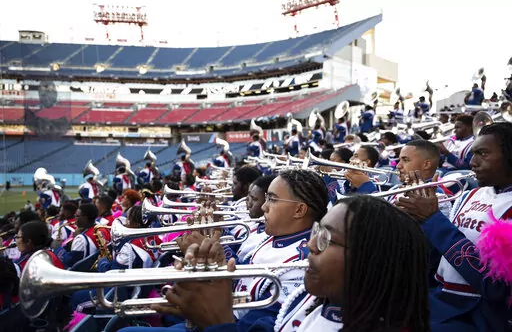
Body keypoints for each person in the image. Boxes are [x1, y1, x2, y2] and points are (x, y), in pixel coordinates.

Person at [139, 196, 430, 332]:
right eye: (317, 232)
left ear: (370, 260)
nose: (310, 245)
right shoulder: (307, 299)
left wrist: (218, 322)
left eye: (326, 238)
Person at [396, 122, 512, 332]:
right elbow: (437, 259)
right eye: (473, 154)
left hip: (476, 316)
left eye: (483, 154)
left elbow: (494, 287)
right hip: (439, 298)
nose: (473, 163)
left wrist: (433, 219)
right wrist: (415, 221)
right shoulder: (470, 195)